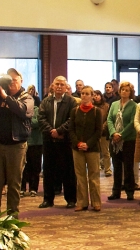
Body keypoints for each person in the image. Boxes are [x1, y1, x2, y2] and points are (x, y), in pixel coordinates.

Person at [0, 68, 32, 216]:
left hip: (16, 146)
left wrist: (6, 97)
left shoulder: (26, 97)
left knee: (14, 184)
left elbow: (23, 111)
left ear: (21, 81)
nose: (11, 83)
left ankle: (12, 216)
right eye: (9, 80)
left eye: (14, 80)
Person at [38, 76, 77, 209]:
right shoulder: (45, 101)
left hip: (65, 141)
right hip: (49, 140)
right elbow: (41, 118)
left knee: (68, 172)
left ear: (66, 87)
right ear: (52, 86)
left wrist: (59, 131)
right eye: (57, 84)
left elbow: (72, 119)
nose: (59, 87)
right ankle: (48, 199)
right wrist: (52, 131)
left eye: (62, 84)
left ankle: (71, 199)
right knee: (48, 171)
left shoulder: (72, 102)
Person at [69, 86, 103, 211]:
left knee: (94, 176)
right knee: (80, 176)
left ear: (92, 96)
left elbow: (98, 131)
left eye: (87, 93)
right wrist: (78, 143)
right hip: (77, 148)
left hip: (92, 148)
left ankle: (96, 202)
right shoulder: (74, 111)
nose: (84, 96)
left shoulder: (96, 111)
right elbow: (71, 129)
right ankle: (82, 202)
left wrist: (87, 144)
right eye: (82, 93)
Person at [107, 81, 137, 201]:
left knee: (128, 167)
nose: (124, 92)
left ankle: (130, 191)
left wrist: (121, 135)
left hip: (128, 140)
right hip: (114, 140)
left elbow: (132, 123)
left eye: (127, 90)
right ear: (119, 91)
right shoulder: (114, 104)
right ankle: (116, 191)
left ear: (131, 93)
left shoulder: (134, 105)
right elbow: (109, 119)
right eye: (122, 90)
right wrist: (113, 133)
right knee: (117, 167)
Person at [21, 102, 42, 197]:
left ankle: (33, 188)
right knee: (23, 167)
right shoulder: (19, 108)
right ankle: (22, 188)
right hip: (22, 141)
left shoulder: (37, 109)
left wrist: (25, 119)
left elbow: (36, 122)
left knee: (35, 166)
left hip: (36, 142)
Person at [93, 90, 112, 177]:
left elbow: (108, 119)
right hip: (93, 133)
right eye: (94, 95)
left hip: (104, 132)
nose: (96, 97)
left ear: (101, 96)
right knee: (95, 152)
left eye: (97, 95)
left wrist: (101, 128)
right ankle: (96, 169)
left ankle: (107, 169)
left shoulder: (106, 106)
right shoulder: (91, 106)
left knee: (105, 152)